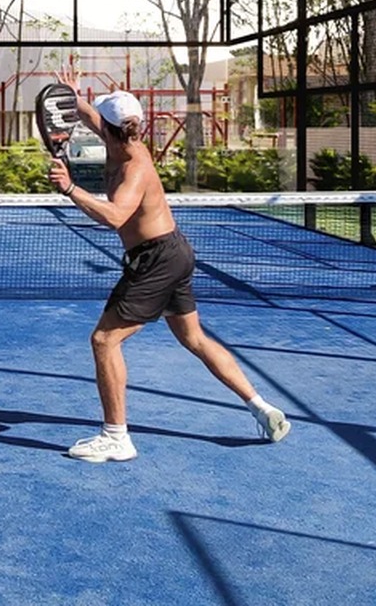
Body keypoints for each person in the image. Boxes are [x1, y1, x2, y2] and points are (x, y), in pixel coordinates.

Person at [46, 68, 290, 462]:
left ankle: (116, 437)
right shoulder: (123, 135)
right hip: (175, 252)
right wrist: (74, 97)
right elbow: (92, 117)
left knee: (104, 340)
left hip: (156, 260)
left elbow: (115, 217)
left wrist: (71, 188)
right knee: (194, 339)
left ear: (111, 130)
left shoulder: (134, 167)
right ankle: (262, 408)